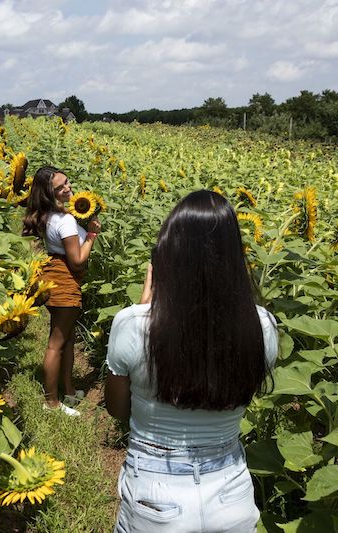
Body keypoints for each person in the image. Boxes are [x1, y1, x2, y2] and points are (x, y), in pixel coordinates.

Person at [105, 190, 278, 532]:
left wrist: (142, 310)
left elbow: (117, 409)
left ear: (168, 256)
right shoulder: (262, 326)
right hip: (232, 495)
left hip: (155, 494)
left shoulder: (132, 325)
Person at [22, 166, 101, 417]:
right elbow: (77, 260)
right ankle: (52, 402)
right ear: (49, 193)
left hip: (53, 274)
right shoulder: (65, 220)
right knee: (56, 343)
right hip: (65, 278)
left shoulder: (50, 215)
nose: (68, 188)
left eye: (67, 182)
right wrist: (91, 235)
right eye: (60, 187)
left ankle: (68, 389)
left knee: (67, 338)